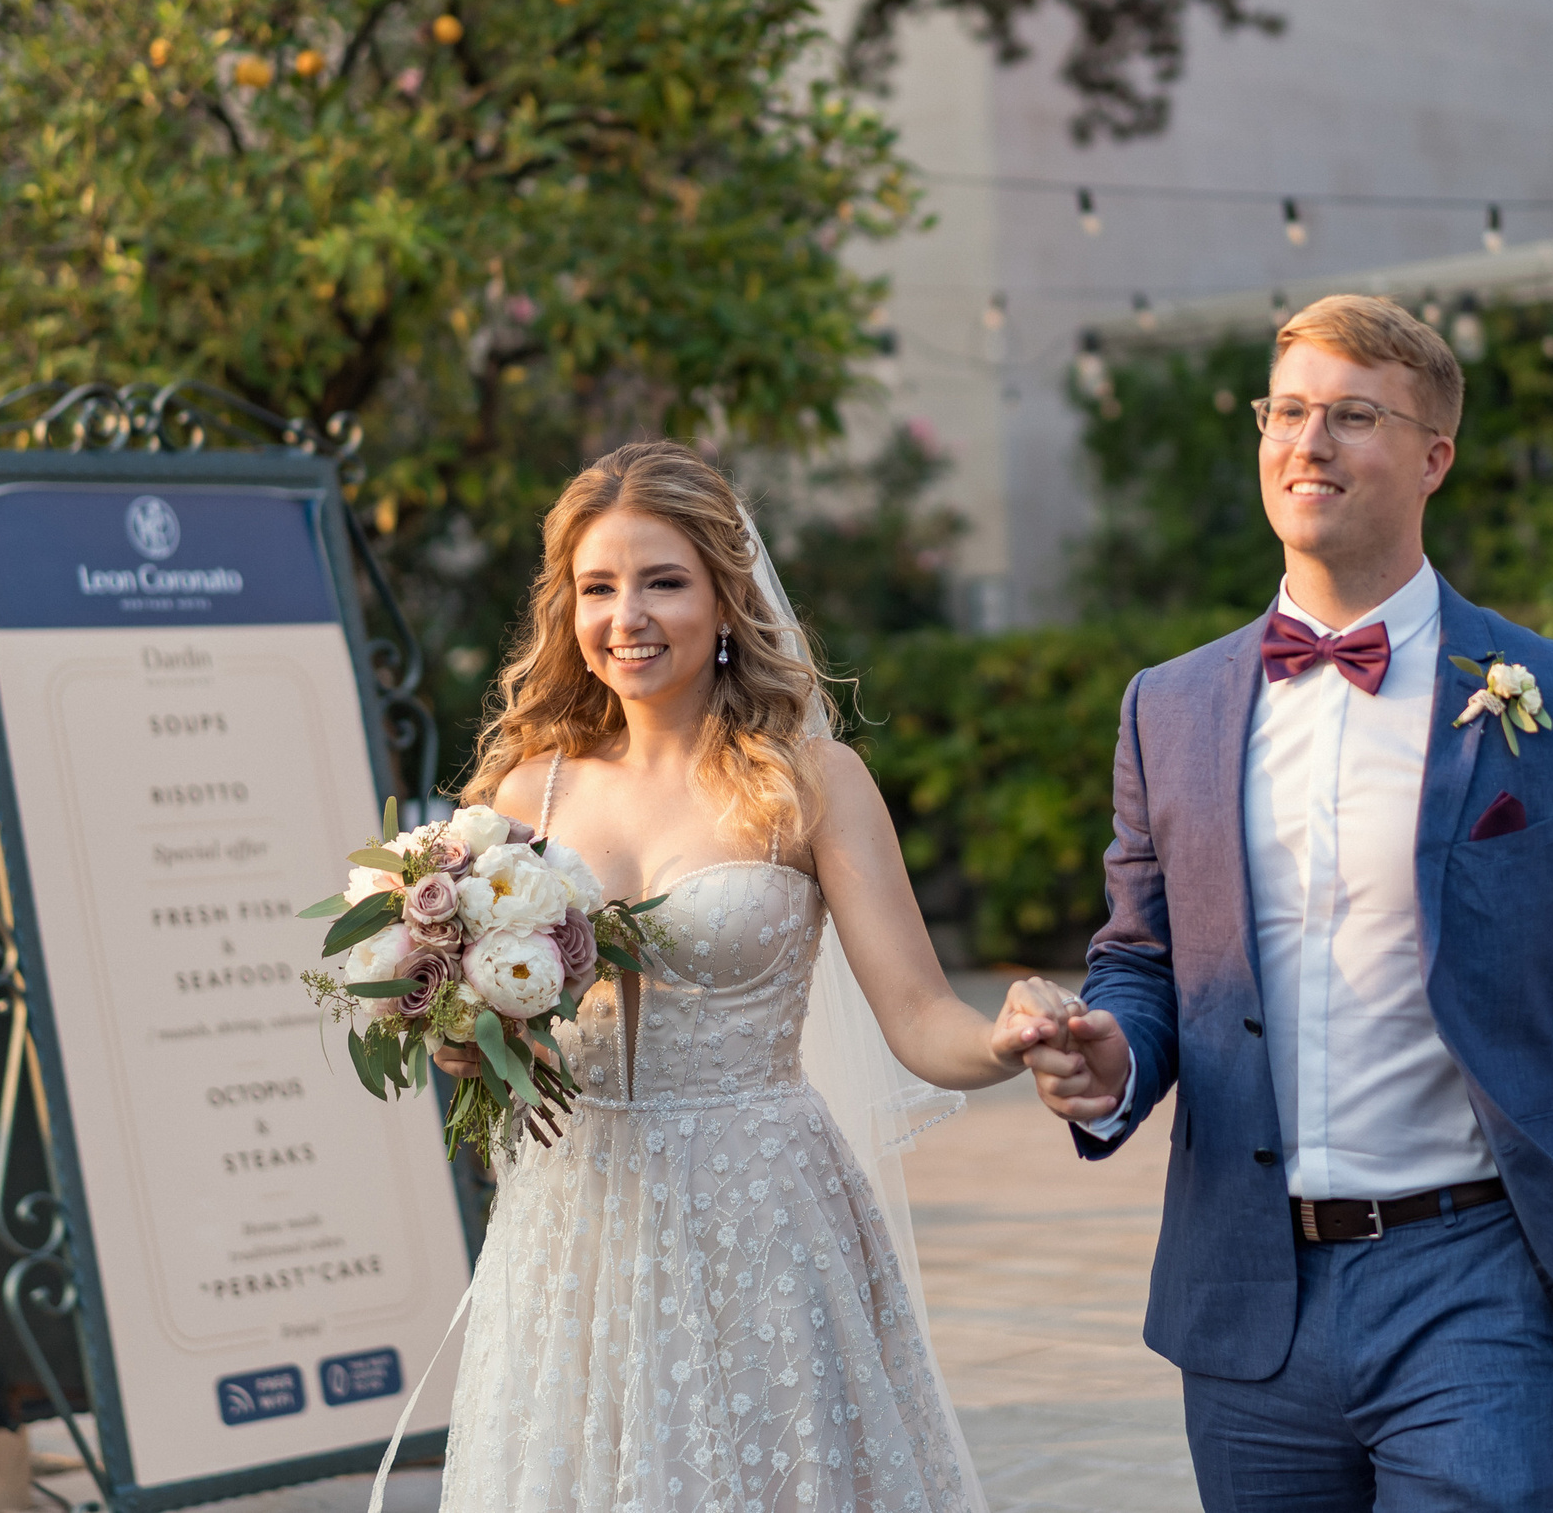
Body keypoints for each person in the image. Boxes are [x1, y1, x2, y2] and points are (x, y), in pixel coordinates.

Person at [1020, 294, 1553, 1510]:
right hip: (1246, 1302)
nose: (1308, 443)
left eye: (1352, 416)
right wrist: (1112, 1055)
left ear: (1435, 456)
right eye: (1286, 412)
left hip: (1481, 1288)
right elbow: (1145, 959)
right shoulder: (1164, 708)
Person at [427, 440, 1071, 1513]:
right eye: (598, 588)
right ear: (566, 611)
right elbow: (486, 1030)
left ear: (726, 599)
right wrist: (461, 1033)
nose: (626, 617)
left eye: (663, 582)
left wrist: (1004, 1039)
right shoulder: (518, 793)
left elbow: (918, 1018)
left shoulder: (810, 783)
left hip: (761, 1215)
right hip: (571, 1222)